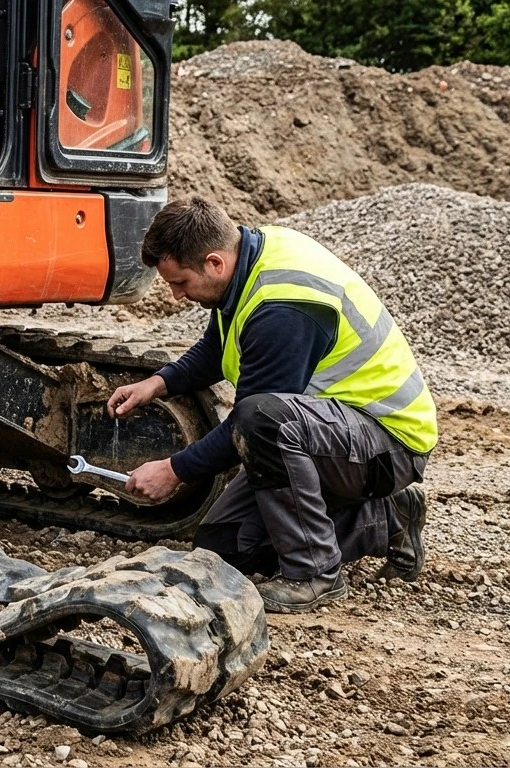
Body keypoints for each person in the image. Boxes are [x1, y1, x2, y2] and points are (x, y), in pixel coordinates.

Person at [107, 196, 437, 613]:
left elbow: (254, 424)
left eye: (180, 282)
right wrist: (158, 383)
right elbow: (219, 346)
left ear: (214, 263)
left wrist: (174, 470)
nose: (175, 296)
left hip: (386, 441)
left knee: (261, 418)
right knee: (226, 547)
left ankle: (316, 573)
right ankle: (388, 517)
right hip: (332, 433)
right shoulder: (248, 259)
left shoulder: (283, 306)